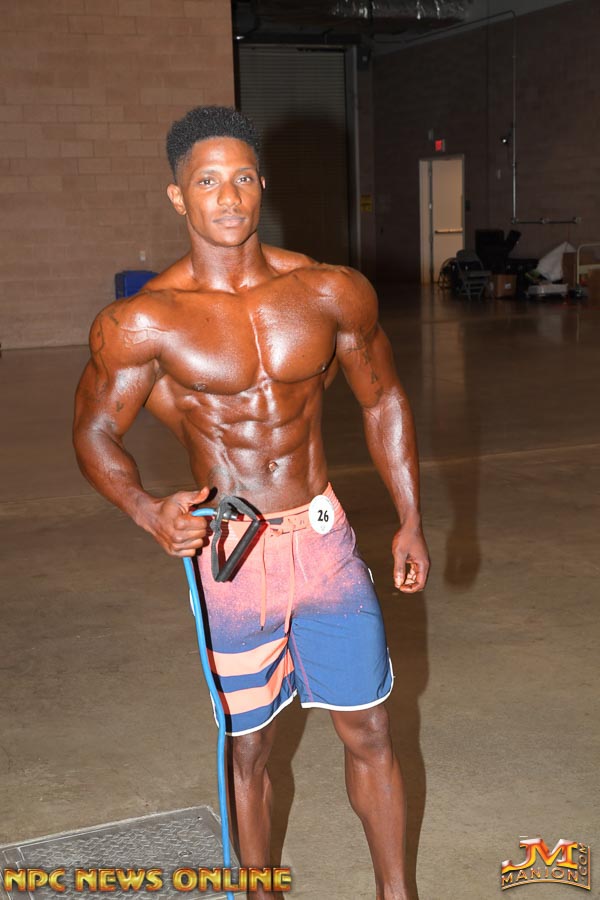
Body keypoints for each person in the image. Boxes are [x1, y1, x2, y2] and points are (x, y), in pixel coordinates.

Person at [73, 106, 429, 900]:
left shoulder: (329, 290)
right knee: (251, 748)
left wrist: (409, 516)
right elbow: (94, 431)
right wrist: (146, 509)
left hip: (325, 543)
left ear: (262, 184)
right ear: (178, 197)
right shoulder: (145, 320)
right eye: (207, 182)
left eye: (241, 178)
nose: (228, 197)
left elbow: (383, 399)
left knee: (371, 727)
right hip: (231, 559)